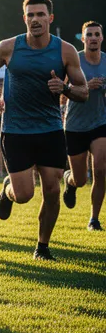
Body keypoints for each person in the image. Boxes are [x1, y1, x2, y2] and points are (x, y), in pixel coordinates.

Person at [0, 0, 87, 260]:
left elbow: (83, 91)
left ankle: (42, 246)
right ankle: (9, 190)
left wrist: (64, 88)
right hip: (16, 130)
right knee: (25, 194)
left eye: (41, 15)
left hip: (50, 129)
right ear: (24, 18)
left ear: (50, 18)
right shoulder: (8, 47)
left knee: (52, 189)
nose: (35, 20)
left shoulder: (65, 51)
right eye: (30, 15)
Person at [61, 21, 106, 231]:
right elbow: (61, 88)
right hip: (75, 125)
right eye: (90, 35)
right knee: (80, 179)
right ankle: (69, 182)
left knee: (101, 168)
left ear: (102, 38)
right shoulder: (74, 60)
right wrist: (86, 87)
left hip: (100, 122)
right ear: (83, 38)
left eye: (97, 34)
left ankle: (94, 219)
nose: (94, 38)